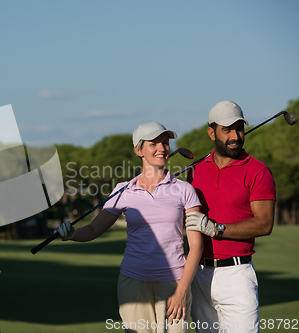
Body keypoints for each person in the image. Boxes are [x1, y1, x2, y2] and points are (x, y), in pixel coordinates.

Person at [56, 121, 203, 333]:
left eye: (165, 142)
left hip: (174, 282)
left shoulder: (184, 190)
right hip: (133, 283)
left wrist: (182, 291)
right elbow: (93, 230)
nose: (162, 148)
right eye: (154, 143)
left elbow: (196, 246)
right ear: (138, 150)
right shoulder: (122, 191)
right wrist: (71, 234)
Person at [185, 101, 276, 333]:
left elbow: (264, 223)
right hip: (199, 275)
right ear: (211, 133)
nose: (235, 136)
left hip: (236, 277)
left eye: (239, 128)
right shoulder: (194, 171)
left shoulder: (257, 170)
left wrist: (216, 229)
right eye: (227, 130)